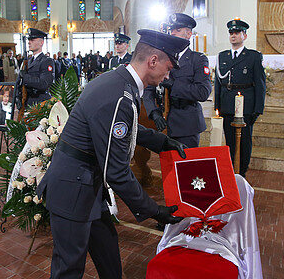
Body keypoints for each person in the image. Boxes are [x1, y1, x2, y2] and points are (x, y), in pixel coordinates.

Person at [37, 29, 190, 278]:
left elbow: (122, 128)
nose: (167, 76)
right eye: (168, 68)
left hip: (88, 186)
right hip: (72, 191)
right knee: (69, 268)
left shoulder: (119, 81)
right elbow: (117, 172)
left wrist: (162, 142)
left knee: (109, 258)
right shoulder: (118, 94)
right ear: (153, 61)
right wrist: (154, 210)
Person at [143, 13, 212, 148]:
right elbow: (148, 89)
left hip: (186, 125)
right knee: (167, 166)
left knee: (185, 167)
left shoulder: (197, 59)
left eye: (178, 30)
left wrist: (174, 86)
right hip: (162, 122)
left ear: (189, 34)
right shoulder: (161, 58)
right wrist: (154, 112)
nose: (172, 32)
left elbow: (203, 92)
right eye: (171, 29)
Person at [214, 19, 266, 177]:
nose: (233, 35)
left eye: (237, 33)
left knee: (244, 142)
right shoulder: (222, 56)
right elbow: (218, 83)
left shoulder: (253, 57)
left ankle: (241, 171)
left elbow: (260, 84)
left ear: (245, 35)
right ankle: (230, 170)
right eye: (231, 33)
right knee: (229, 140)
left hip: (246, 106)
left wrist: (257, 109)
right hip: (227, 105)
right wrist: (218, 106)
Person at [20, 28, 55, 107]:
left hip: (40, 103)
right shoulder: (28, 61)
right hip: (28, 101)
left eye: (32, 40)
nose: (29, 42)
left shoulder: (47, 61)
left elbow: (44, 84)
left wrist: (25, 77)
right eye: (29, 40)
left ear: (41, 43)